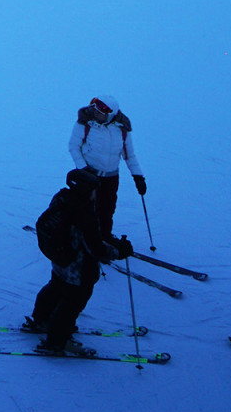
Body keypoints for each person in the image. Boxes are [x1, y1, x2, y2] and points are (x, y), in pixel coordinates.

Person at [27, 167, 135, 355]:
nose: (96, 194)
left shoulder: (62, 198)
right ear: (86, 191)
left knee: (55, 288)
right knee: (72, 303)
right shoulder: (84, 214)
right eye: (93, 190)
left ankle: (41, 320)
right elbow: (95, 248)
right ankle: (58, 341)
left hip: (60, 259)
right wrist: (119, 251)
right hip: (78, 268)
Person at [68, 95, 145, 238]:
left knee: (108, 209)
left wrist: (138, 176)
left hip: (111, 178)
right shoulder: (85, 124)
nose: (96, 113)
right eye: (96, 110)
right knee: (89, 209)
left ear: (111, 114)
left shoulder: (122, 129)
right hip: (90, 176)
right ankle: (85, 238)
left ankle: (104, 237)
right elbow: (73, 147)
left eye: (101, 112)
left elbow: (129, 156)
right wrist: (83, 169)